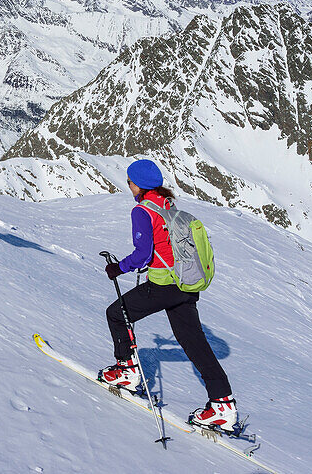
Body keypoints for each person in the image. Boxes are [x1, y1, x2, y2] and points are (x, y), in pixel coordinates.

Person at [98, 158, 236, 433]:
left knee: (116, 313)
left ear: (137, 185)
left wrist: (118, 268)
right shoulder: (168, 206)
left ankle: (126, 371)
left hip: (163, 285)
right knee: (194, 342)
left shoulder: (142, 211)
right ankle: (223, 405)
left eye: (129, 182)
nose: (128, 186)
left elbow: (143, 254)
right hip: (186, 285)